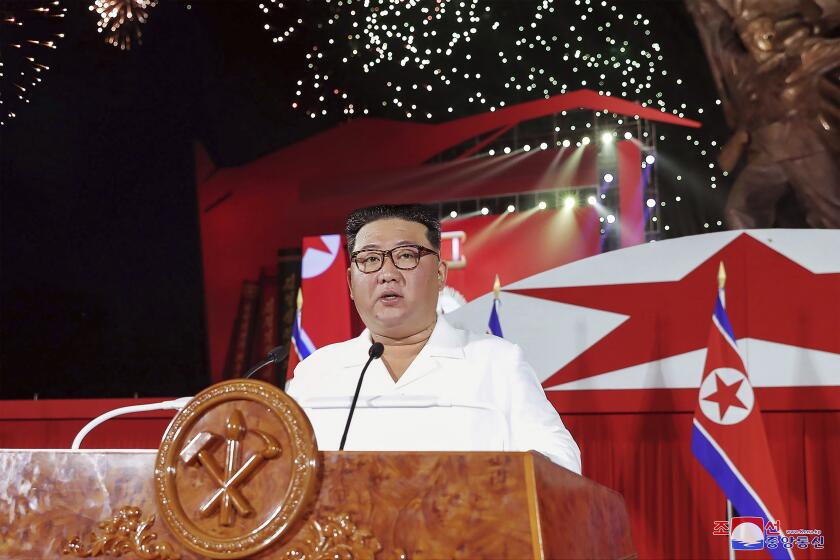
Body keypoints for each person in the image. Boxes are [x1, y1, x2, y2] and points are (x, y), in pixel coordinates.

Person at [286, 204, 581, 474]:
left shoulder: (498, 362)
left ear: (440, 275)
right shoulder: (315, 372)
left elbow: (560, 463)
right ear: (351, 282)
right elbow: (282, 474)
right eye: (371, 259)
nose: (387, 274)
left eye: (405, 256)